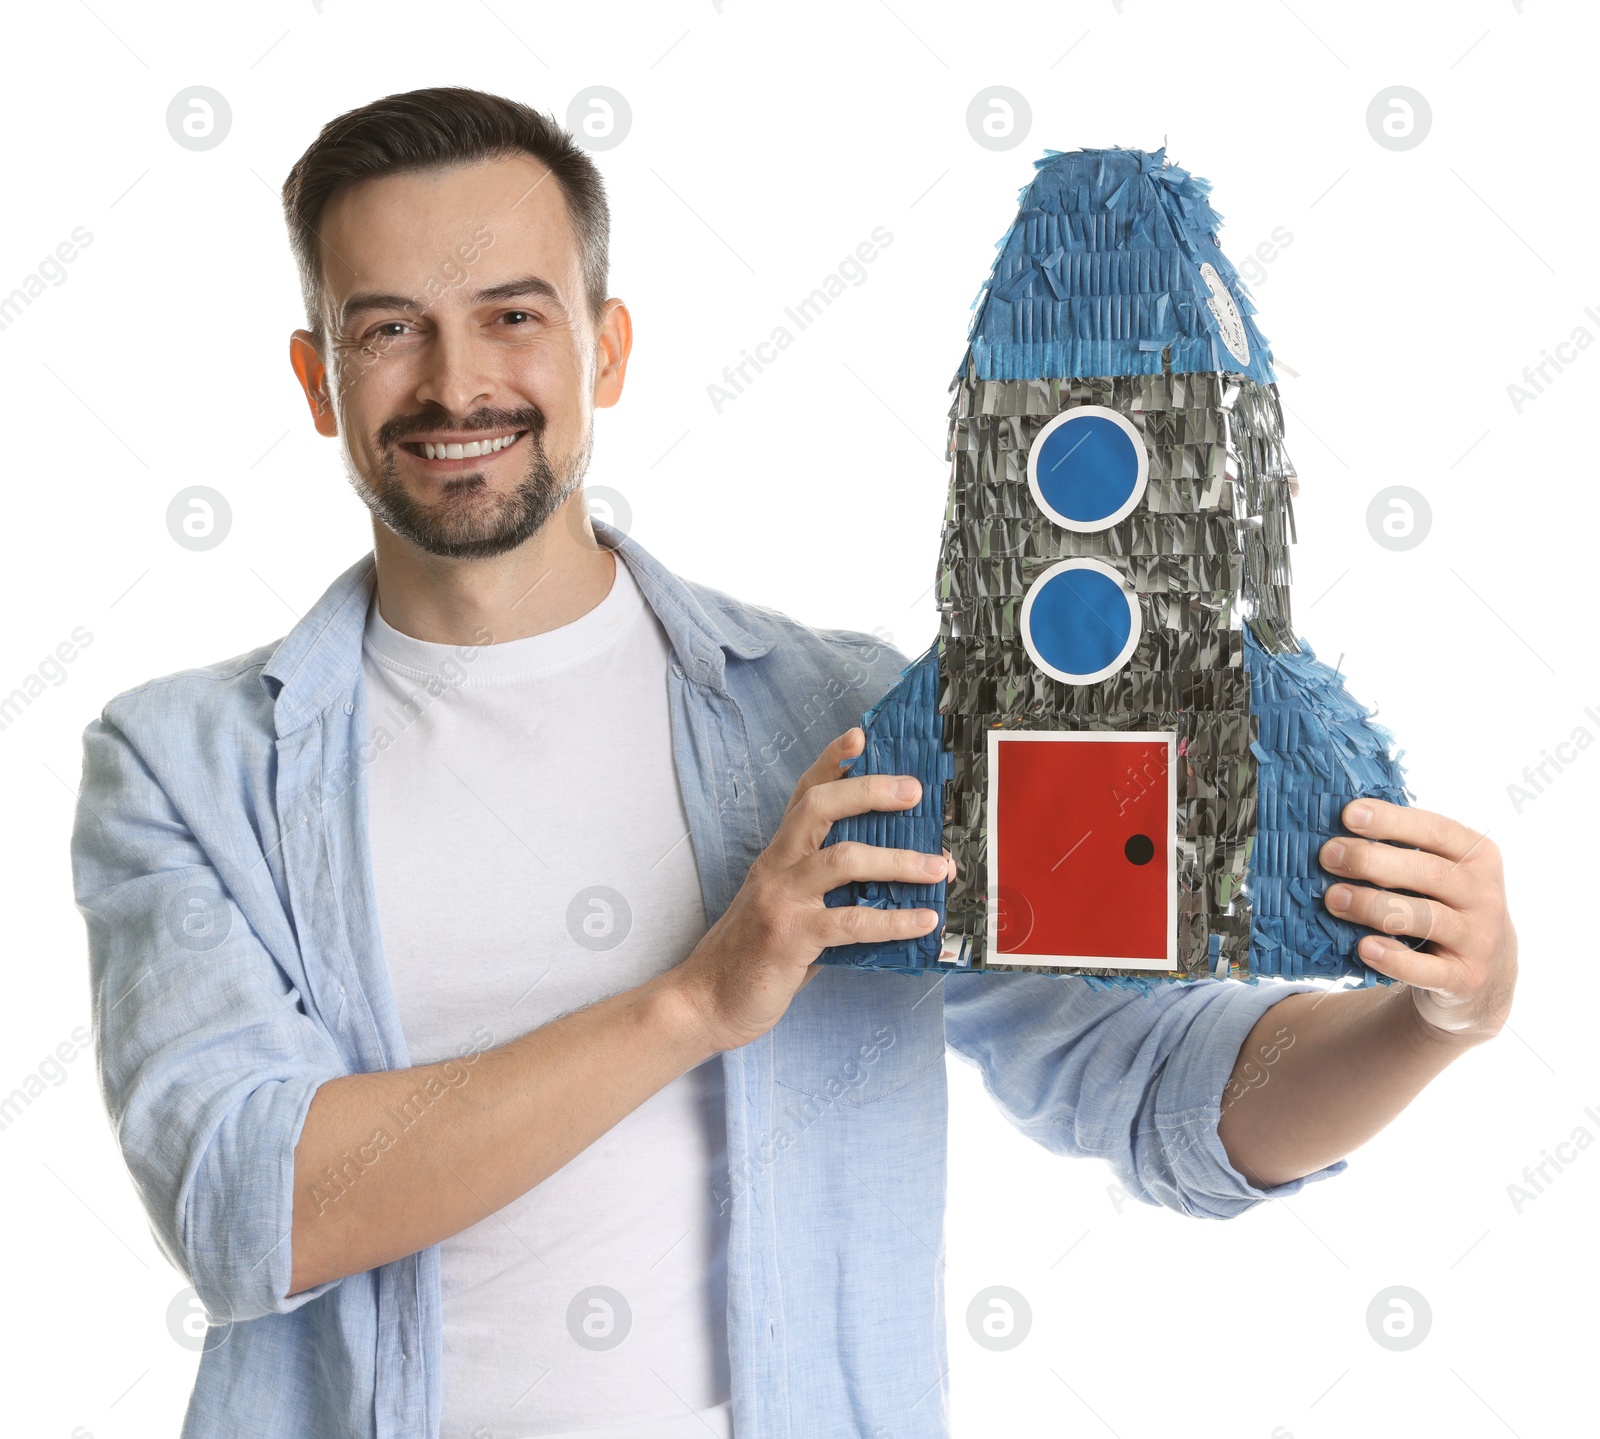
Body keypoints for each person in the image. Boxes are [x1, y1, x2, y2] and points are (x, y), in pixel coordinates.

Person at [69, 87, 1517, 1439]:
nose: (458, 385)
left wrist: (1433, 1022)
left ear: (605, 347)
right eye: (390, 329)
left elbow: (1140, 1090)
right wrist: (699, 999)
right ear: (320, 379)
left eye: (513, 314)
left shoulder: (837, 721)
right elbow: (251, 1205)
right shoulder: (188, 765)